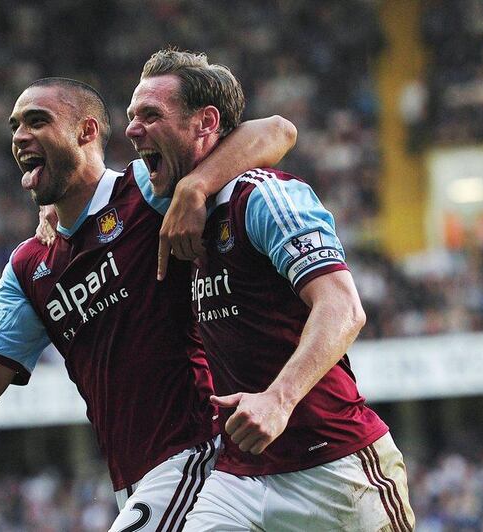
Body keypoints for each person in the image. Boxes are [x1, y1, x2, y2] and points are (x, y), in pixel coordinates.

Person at [0, 77, 296, 531]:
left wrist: (194, 187)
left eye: (37, 121)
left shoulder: (147, 192)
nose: (20, 136)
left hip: (196, 452)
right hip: (135, 480)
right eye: (15, 126)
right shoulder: (28, 266)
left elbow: (276, 131)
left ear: (86, 132)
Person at [125, 49, 415, 531]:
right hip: (240, 476)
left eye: (151, 115)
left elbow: (343, 307)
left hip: (334, 465)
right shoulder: (165, 194)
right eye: (132, 116)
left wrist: (278, 400)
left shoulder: (263, 197)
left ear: (204, 123)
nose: (133, 129)